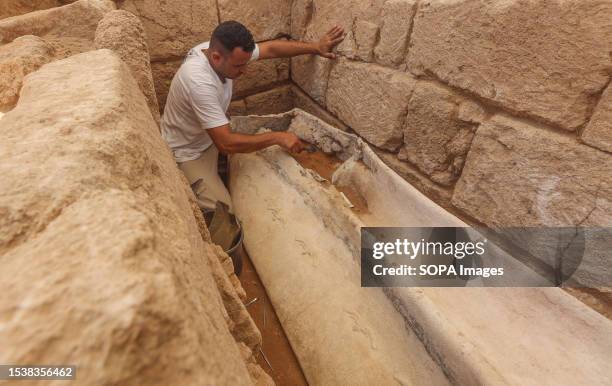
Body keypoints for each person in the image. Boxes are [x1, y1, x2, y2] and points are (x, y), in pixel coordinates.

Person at [161, 20, 344, 214]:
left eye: (246, 63)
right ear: (215, 57)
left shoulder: (220, 51)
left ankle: (221, 173)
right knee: (225, 215)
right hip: (188, 152)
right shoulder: (198, 82)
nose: (244, 70)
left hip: (207, 137)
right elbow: (226, 144)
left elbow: (272, 49)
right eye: (239, 65)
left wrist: (315, 47)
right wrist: (278, 137)